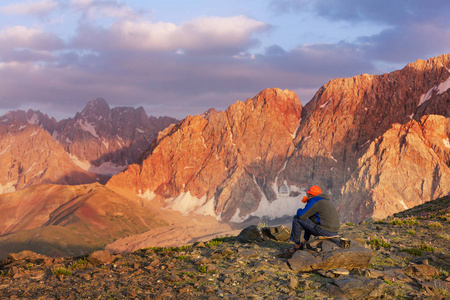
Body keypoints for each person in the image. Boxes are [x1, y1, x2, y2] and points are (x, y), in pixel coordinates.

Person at [287, 185, 340, 252]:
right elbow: (310, 219)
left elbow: (301, 215)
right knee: (310, 219)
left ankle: (297, 246)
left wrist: (299, 209)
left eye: (307, 194)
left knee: (296, 219)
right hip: (334, 232)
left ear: (311, 195)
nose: (307, 196)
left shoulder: (314, 200)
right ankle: (305, 242)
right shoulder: (325, 200)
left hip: (324, 231)